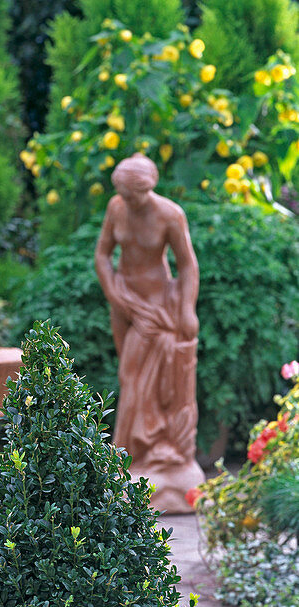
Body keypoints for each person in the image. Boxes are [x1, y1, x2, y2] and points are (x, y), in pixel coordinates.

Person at [94, 153, 204, 512]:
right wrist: (114, 294)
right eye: (122, 194)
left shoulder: (170, 214)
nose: (127, 201)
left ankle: (146, 451)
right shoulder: (116, 208)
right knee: (130, 375)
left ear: (148, 188)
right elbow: (102, 255)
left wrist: (186, 308)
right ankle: (135, 455)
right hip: (125, 303)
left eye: (133, 195)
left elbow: (187, 264)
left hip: (157, 305)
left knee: (141, 375)